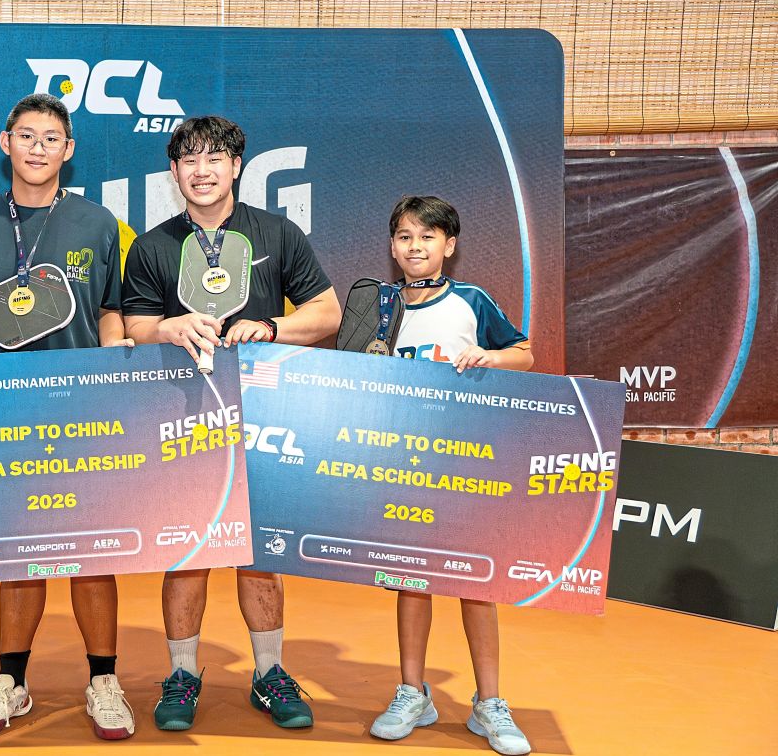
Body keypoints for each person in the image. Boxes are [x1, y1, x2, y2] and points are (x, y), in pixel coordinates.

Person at [0, 93, 135, 741]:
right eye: (26, 135)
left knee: (92, 551)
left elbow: (110, 309)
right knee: (20, 552)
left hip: (84, 411)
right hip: (5, 414)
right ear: (5, 142)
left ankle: (104, 680)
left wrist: (115, 357)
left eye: (50, 138)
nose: (37, 147)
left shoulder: (99, 223)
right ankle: (11, 681)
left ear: (68, 150)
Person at [122, 115, 341, 731]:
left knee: (258, 554)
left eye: (214, 158)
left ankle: (269, 673)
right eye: (189, 160)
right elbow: (134, 326)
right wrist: (166, 327)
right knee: (186, 551)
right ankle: (183, 675)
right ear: (173, 171)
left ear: (236, 166)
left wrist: (272, 327)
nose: (202, 171)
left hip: (261, 416)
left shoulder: (278, 233)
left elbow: (326, 313)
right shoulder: (152, 246)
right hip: (181, 417)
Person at [368, 195, 533, 755]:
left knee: (474, 583)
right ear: (392, 246)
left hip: (464, 465)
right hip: (400, 463)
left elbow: (525, 353)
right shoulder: (377, 304)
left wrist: (491, 358)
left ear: (449, 245)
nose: (415, 246)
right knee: (411, 579)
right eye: (405, 237)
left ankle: (489, 703)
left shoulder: (472, 300)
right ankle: (413, 692)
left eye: (427, 236)